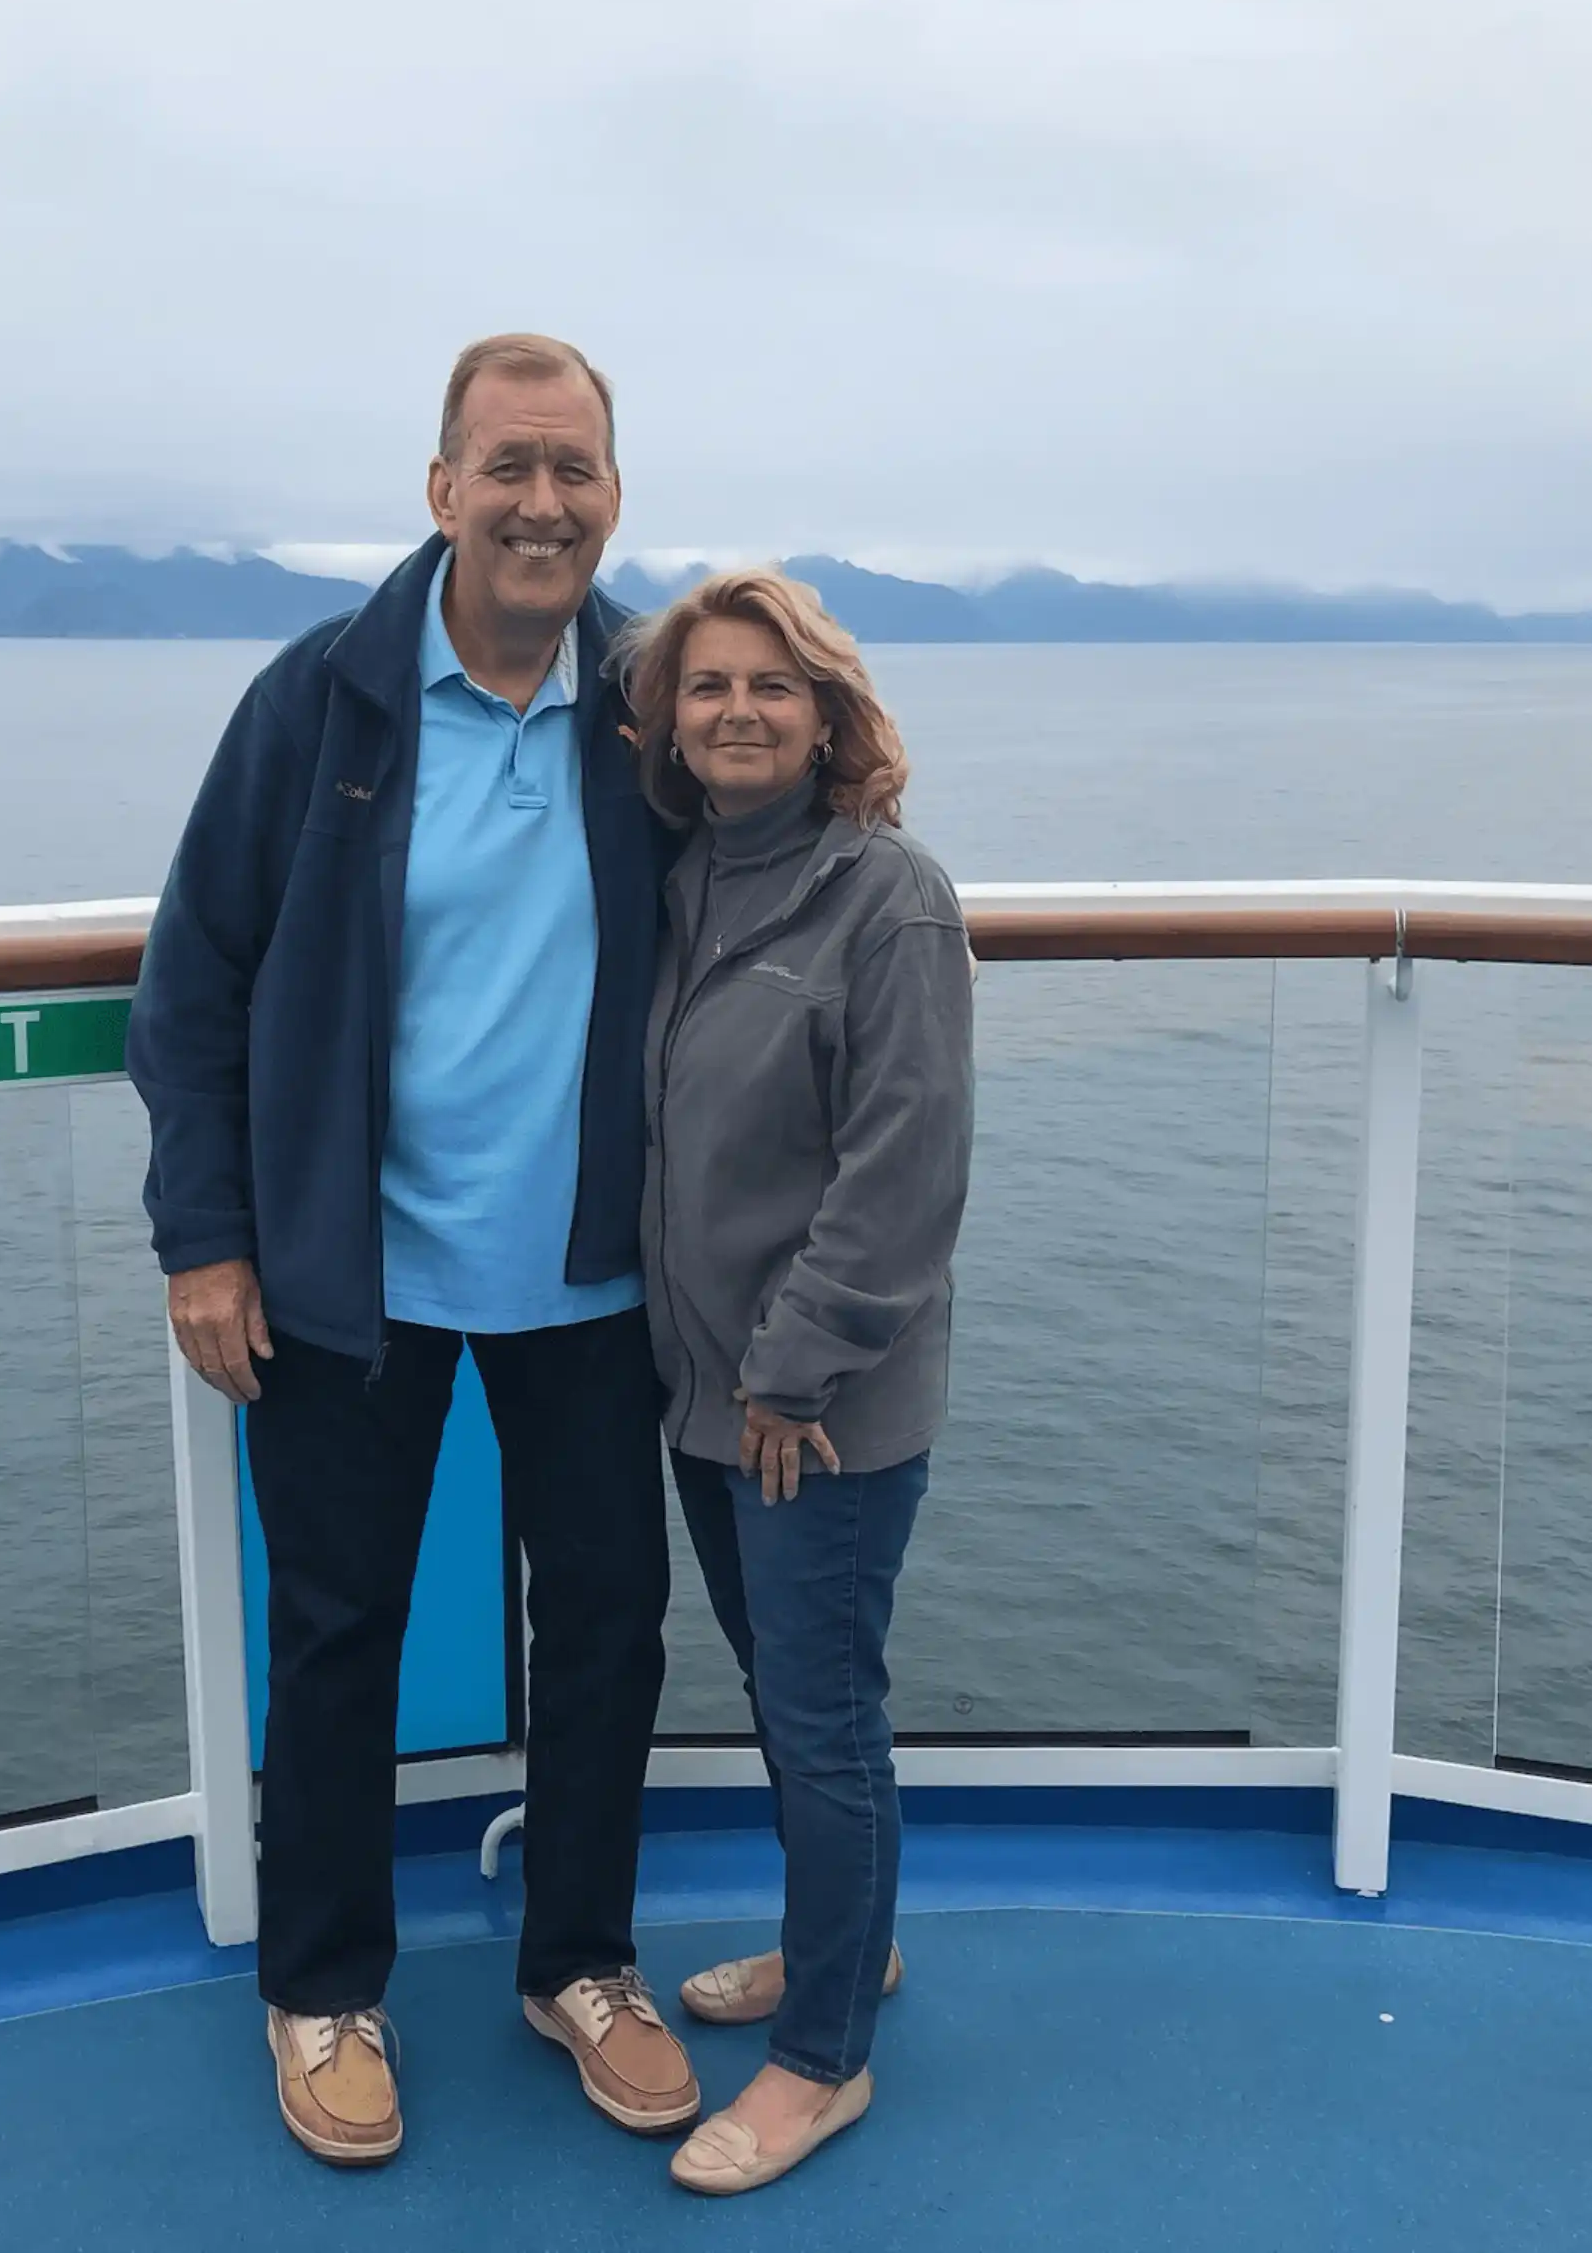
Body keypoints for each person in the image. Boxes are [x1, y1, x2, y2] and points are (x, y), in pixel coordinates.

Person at [126, 334, 698, 2167]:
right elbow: (194, 976)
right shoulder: (325, 702)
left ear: (617, 497)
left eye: (577, 471)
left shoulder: (656, 701)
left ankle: (579, 1960)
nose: (545, 503)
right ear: (441, 489)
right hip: (347, 1270)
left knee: (609, 1623)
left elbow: (791, 860)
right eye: (509, 466)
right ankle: (321, 1988)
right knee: (341, 1629)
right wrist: (207, 1236)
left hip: (598, 1271)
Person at [623, 568, 973, 2195]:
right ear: (668, 724)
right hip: (707, 1397)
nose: (740, 712)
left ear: (828, 712)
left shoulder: (886, 898)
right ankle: (850, 1943)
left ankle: (823, 2057)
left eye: (773, 686)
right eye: (708, 688)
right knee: (787, 1696)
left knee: (821, 1718)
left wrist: (786, 1371)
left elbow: (901, 1176)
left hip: (810, 1407)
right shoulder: (685, 881)